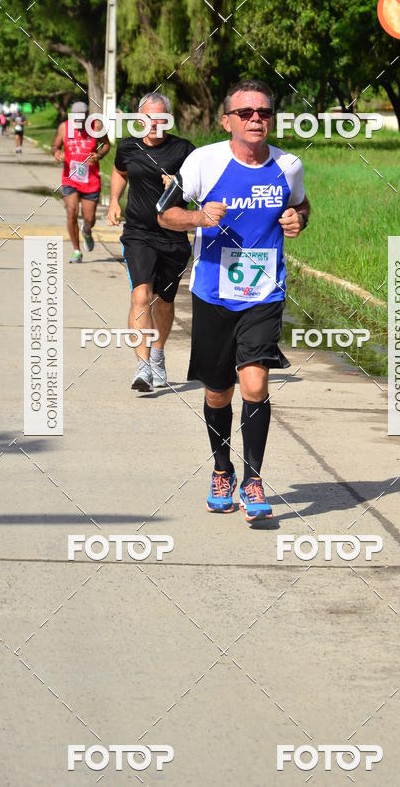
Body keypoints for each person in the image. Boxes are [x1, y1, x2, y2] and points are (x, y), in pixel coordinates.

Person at [157, 79, 310, 523]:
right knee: (218, 392)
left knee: (255, 385)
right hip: (213, 294)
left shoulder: (289, 166)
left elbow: (302, 206)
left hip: (263, 293)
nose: (256, 119)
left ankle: (254, 478)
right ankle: (221, 470)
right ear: (227, 121)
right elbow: (165, 213)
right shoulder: (203, 162)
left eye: (263, 112)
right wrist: (197, 216)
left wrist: (297, 219)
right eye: (245, 113)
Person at [107, 92, 195, 391]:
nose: (154, 123)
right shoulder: (128, 147)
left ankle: (157, 354)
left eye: (160, 118)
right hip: (138, 234)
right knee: (141, 296)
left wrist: (180, 186)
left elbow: (204, 190)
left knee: (164, 302)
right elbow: (120, 171)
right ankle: (142, 368)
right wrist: (113, 201)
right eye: (148, 117)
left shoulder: (184, 151)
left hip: (174, 238)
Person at [51, 101, 110, 263]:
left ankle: (87, 230)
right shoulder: (64, 127)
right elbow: (55, 145)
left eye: (80, 121)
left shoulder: (96, 126)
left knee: (89, 218)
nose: (77, 124)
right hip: (70, 178)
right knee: (71, 213)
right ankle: (76, 250)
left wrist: (99, 155)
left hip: (91, 180)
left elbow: (106, 145)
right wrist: (56, 152)